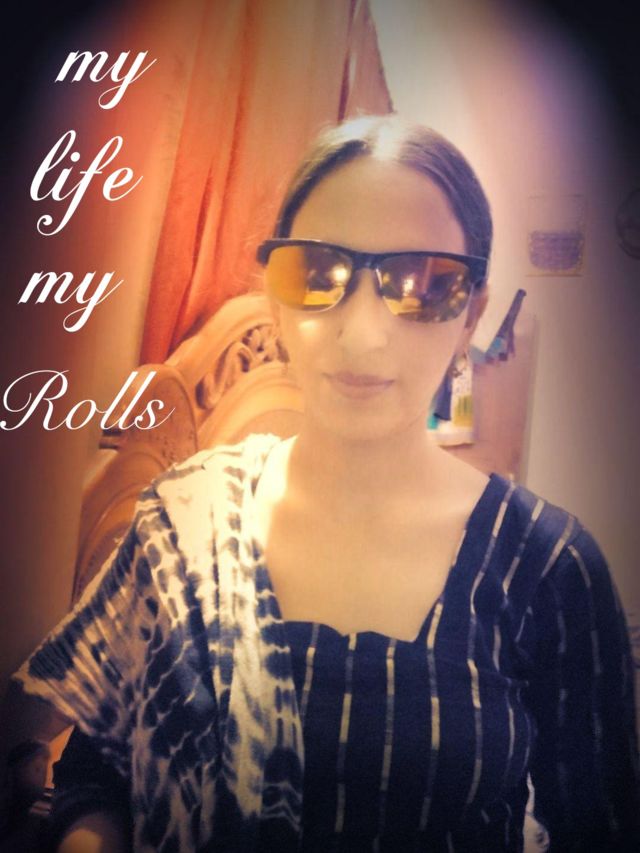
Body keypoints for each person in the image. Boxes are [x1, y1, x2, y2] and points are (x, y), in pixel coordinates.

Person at [3, 115, 639, 852]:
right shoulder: (181, 526)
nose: (362, 332)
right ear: (275, 298)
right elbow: (99, 772)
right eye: (316, 275)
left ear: (471, 314)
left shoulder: (549, 565)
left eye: (422, 284)